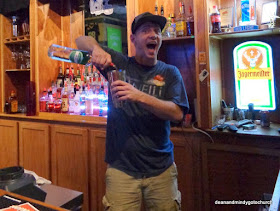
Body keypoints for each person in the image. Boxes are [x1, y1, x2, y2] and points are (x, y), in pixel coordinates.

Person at [76, 12, 189, 211]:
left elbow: (177, 113)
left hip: (161, 171)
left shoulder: (170, 72)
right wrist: (95, 49)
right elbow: (80, 40)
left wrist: (139, 96)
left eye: (156, 31)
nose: (153, 35)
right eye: (146, 30)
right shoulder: (118, 65)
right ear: (132, 39)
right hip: (121, 170)